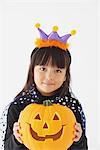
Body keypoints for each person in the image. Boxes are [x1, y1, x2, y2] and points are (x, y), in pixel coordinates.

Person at [0, 23, 88, 150]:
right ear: (32, 71)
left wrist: (79, 141)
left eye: (57, 70)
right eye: (43, 68)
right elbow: (6, 148)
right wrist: (16, 140)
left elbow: (83, 148)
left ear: (65, 76)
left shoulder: (72, 106)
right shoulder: (18, 106)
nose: (49, 77)